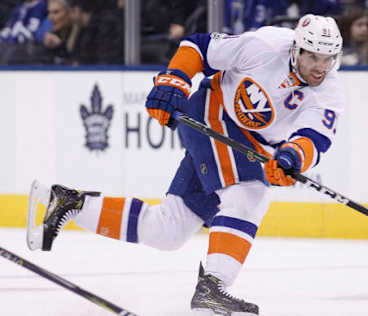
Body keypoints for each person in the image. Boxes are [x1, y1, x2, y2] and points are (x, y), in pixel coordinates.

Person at [27, 14, 346, 315]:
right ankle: (213, 286)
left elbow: (314, 137)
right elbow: (199, 46)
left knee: (169, 230)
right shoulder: (264, 45)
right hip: (212, 113)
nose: (320, 67)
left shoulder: (330, 92)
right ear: (296, 48)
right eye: (313, 56)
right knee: (250, 193)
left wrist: (290, 158)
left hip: (251, 142)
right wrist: (175, 81)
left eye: (327, 58)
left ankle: (69, 203)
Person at [68, 0, 123, 65]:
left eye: (70, 12)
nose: (69, 17)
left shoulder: (106, 25)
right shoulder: (84, 28)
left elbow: (106, 58)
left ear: (76, 11)